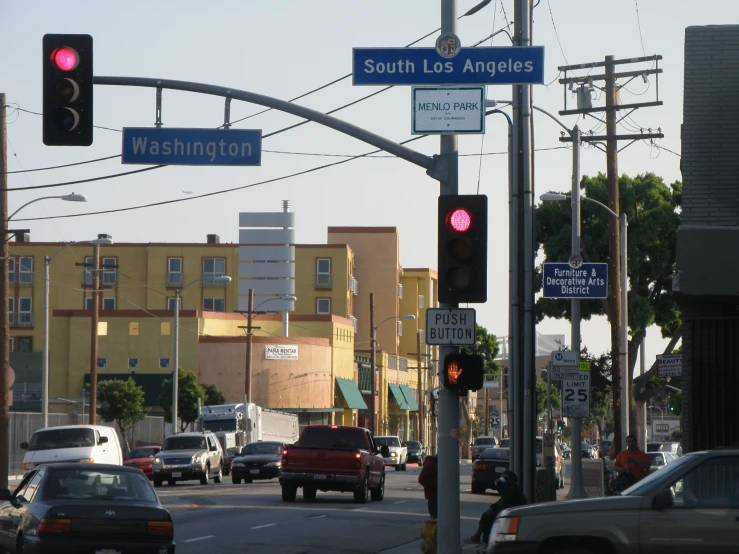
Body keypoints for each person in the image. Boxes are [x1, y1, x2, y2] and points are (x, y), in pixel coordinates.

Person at [464, 470, 527, 545]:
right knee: (487, 515)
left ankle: (482, 539)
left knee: (489, 518)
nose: (502, 480)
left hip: (512, 515)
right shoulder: (510, 488)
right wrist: (493, 507)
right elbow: (501, 501)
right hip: (508, 513)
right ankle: (479, 538)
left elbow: (506, 494)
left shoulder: (513, 489)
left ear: (511, 480)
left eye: (505, 479)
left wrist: (499, 484)